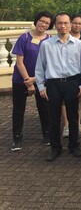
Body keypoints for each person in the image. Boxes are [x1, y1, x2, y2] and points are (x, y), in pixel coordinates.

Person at [35, 12, 81, 161]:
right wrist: (41, 86)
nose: (63, 26)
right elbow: (40, 67)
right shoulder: (46, 45)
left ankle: (74, 145)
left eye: (66, 23)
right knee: (53, 117)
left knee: (73, 117)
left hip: (72, 83)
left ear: (70, 24)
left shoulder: (78, 44)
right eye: (60, 23)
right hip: (53, 84)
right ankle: (55, 148)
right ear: (55, 25)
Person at [11, 11, 54, 151]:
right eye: (42, 21)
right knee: (18, 109)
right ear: (36, 21)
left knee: (44, 108)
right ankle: (17, 138)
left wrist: (35, 79)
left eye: (47, 23)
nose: (43, 24)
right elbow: (19, 62)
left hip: (41, 80)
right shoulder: (24, 38)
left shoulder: (50, 40)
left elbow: (50, 64)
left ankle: (47, 136)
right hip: (20, 80)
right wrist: (28, 81)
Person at [61, 14, 81, 137]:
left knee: (77, 100)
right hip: (63, 74)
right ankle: (66, 126)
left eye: (80, 23)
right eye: (75, 23)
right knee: (63, 102)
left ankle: (77, 124)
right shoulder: (64, 37)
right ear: (70, 23)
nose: (77, 25)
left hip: (77, 74)